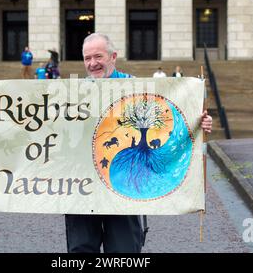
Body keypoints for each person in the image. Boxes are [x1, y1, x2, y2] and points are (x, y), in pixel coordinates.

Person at [65, 33, 213, 253]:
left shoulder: (136, 87)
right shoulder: (71, 92)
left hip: (123, 188)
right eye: (87, 58)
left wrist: (199, 122)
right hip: (83, 189)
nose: (92, 63)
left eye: (98, 56)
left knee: (124, 251)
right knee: (81, 251)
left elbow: (164, 121)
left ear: (113, 56)